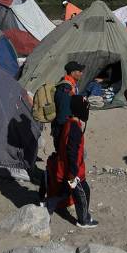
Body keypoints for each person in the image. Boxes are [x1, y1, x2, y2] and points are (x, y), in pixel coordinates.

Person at [47, 96, 98, 228]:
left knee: (64, 192)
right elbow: (72, 152)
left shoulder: (70, 123)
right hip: (73, 172)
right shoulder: (74, 128)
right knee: (82, 194)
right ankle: (83, 220)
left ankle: (47, 207)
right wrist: (73, 173)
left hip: (69, 169)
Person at [52, 61, 84, 142]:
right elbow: (63, 111)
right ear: (72, 73)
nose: (81, 73)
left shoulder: (71, 85)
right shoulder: (65, 87)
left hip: (67, 125)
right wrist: (69, 127)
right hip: (63, 127)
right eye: (79, 71)